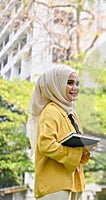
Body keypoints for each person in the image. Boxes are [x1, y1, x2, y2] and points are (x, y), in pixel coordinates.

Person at [27, 65, 91, 200]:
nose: (75, 88)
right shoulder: (51, 112)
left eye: (77, 83)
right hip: (54, 186)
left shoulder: (71, 114)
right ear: (55, 85)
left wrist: (85, 148)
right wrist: (74, 154)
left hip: (74, 182)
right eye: (69, 83)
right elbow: (46, 145)